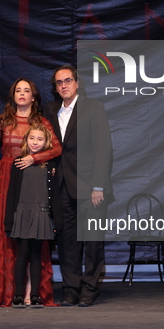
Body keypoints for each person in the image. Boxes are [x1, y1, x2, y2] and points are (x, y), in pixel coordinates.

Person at [0, 78, 62, 307]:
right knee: (7, 234)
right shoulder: (3, 120)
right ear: (12, 95)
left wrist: (33, 158)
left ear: (33, 96)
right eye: (17, 90)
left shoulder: (41, 121)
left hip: (33, 179)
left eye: (26, 90)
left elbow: (57, 148)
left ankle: (32, 290)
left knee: (34, 240)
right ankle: (8, 291)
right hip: (6, 179)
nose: (21, 94)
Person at [45, 64, 113, 307]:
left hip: (90, 188)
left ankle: (90, 289)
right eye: (59, 82)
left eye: (67, 80)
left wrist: (98, 186)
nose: (63, 85)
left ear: (77, 83)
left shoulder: (93, 108)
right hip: (62, 187)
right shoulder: (51, 110)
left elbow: (103, 149)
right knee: (67, 243)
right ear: (55, 88)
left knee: (93, 242)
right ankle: (71, 289)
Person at [5, 124, 58, 309]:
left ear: (47, 142)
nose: (35, 142)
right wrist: (10, 220)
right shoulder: (18, 162)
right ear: (26, 140)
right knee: (22, 254)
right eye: (32, 138)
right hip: (22, 212)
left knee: (36, 255)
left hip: (42, 213)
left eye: (40, 139)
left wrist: (54, 219)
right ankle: (18, 295)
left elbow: (55, 195)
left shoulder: (50, 165)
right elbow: (12, 192)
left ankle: (35, 295)